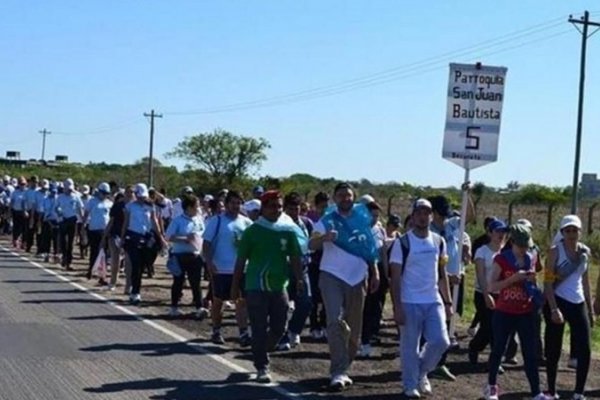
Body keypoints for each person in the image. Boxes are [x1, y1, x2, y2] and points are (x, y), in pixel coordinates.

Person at [308, 182, 379, 391]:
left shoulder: (361, 219)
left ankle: (344, 367)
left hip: (357, 278)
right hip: (331, 275)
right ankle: (337, 370)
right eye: (340, 196)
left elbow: (369, 249)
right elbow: (310, 245)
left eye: (348, 196)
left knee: (354, 327)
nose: (345, 199)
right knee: (334, 320)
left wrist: (374, 272)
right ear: (335, 198)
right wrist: (324, 238)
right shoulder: (327, 220)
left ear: (353, 198)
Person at [231, 190, 304, 383]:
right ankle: (262, 366)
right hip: (256, 286)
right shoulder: (253, 231)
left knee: (280, 328)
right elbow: (240, 261)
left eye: (279, 206)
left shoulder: (287, 230)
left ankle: (261, 348)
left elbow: (295, 257)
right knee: (259, 326)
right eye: (272, 206)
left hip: (279, 286)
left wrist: (299, 278)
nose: (276, 210)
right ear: (263, 208)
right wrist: (235, 286)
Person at [389, 198, 452, 399]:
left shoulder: (438, 241)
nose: (423, 217)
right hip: (409, 301)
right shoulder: (403, 243)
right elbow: (395, 277)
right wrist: (397, 307)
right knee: (409, 346)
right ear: (413, 216)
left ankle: (421, 372)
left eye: (427, 213)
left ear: (431, 216)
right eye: (419, 213)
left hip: (433, 300)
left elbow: (442, 273)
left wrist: (448, 302)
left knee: (441, 342)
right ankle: (410, 384)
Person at [484, 224, 549, 400]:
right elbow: (492, 286)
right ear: (513, 242)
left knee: (529, 351)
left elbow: (533, 283)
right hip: (504, 311)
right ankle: (491, 386)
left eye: (526, 246)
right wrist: (512, 279)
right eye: (521, 246)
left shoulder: (530, 258)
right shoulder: (501, 259)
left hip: (525, 311)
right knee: (498, 349)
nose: (524, 250)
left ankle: (536, 391)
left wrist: (532, 284)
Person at [543, 215, 594, 400]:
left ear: (580, 232)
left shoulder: (585, 253)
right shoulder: (554, 251)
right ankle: (551, 390)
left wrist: (589, 308)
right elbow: (548, 283)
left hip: (578, 302)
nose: (572, 234)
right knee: (553, 348)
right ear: (562, 232)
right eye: (568, 230)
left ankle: (579, 392)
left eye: (575, 230)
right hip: (558, 301)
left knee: (585, 348)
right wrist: (554, 308)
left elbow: (585, 281)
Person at [427, 194, 473, 380]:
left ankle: (440, 363)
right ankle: (427, 362)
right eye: (440, 214)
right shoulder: (427, 230)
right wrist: (446, 276)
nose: (443, 218)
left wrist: (466, 194)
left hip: (455, 282)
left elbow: (469, 216)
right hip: (435, 283)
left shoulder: (453, 224)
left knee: (448, 322)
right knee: (434, 325)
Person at [202, 190, 253, 346]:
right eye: (232, 202)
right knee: (218, 301)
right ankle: (216, 330)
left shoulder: (246, 223)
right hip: (221, 269)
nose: (235, 206)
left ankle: (243, 333)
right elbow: (206, 244)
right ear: (226, 204)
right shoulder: (216, 221)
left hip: (241, 269)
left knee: (241, 301)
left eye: (238, 203)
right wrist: (209, 263)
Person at [468, 219, 509, 365]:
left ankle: (495, 359)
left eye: (503, 232)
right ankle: (474, 347)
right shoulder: (482, 251)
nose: (501, 235)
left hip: (502, 295)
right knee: (488, 326)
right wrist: (487, 295)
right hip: (483, 293)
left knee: (499, 328)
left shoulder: (507, 251)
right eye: (498, 231)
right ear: (490, 233)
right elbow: (480, 275)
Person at [276, 192, 313, 351]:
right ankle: (281, 336)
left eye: (296, 208)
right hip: (283, 269)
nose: (294, 212)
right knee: (282, 305)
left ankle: (294, 330)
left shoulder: (306, 223)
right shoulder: (279, 225)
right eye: (290, 209)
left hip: (303, 269)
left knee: (306, 302)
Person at [120, 183, 166, 305]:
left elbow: (154, 222)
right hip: (132, 237)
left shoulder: (151, 206)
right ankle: (135, 292)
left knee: (144, 264)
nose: (141, 199)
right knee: (136, 265)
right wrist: (122, 237)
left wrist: (161, 237)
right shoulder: (129, 206)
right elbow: (126, 222)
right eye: (139, 196)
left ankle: (136, 289)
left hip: (146, 238)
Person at [165, 194, 209, 319]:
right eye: (196, 206)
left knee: (196, 282)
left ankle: (199, 307)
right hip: (180, 255)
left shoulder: (199, 219)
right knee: (178, 281)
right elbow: (168, 236)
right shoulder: (178, 220)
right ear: (188, 207)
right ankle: (174, 307)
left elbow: (203, 233)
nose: (198, 208)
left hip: (195, 255)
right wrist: (185, 239)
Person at [359, 194, 389, 358]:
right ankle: (361, 339)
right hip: (363, 269)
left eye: (377, 215)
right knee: (364, 306)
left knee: (375, 306)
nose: (375, 218)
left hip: (377, 269)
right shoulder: (359, 229)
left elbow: (383, 251)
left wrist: (386, 273)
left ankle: (369, 336)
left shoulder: (380, 229)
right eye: (372, 215)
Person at [307, 191, 330, 339]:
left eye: (326, 206)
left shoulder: (333, 222)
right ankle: (314, 325)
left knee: (328, 297)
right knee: (315, 297)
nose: (324, 210)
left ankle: (324, 323)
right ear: (316, 207)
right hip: (315, 264)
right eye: (322, 207)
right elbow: (311, 245)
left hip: (329, 265)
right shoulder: (312, 223)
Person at [103, 186, 134, 292]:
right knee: (115, 259)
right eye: (128, 192)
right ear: (125, 193)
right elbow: (111, 221)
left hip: (129, 236)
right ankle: (113, 282)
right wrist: (105, 235)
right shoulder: (118, 205)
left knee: (129, 262)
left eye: (132, 192)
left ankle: (128, 285)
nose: (130, 194)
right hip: (115, 234)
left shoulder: (135, 207)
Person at [84, 182, 113, 284]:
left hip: (105, 231)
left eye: (106, 193)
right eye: (103, 193)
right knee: (94, 252)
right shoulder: (92, 201)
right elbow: (86, 214)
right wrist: (83, 227)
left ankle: (102, 276)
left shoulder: (110, 203)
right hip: (93, 230)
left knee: (104, 254)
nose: (104, 195)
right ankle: (91, 270)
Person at [56, 178, 84, 271]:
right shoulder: (60, 197)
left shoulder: (76, 196)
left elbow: (80, 209)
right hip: (63, 220)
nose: (69, 190)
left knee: (71, 242)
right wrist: (59, 213)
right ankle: (64, 257)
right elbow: (56, 208)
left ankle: (69, 261)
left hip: (72, 220)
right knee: (63, 241)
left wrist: (82, 220)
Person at [40, 183, 61, 263]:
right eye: (52, 192)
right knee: (46, 239)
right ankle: (47, 255)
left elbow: (61, 210)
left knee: (57, 240)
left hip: (56, 221)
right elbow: (42, 211)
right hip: (47, 221)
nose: (54, 194)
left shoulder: (58, 199)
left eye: (55, 192)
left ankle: (57, 256)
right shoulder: (45, 199)